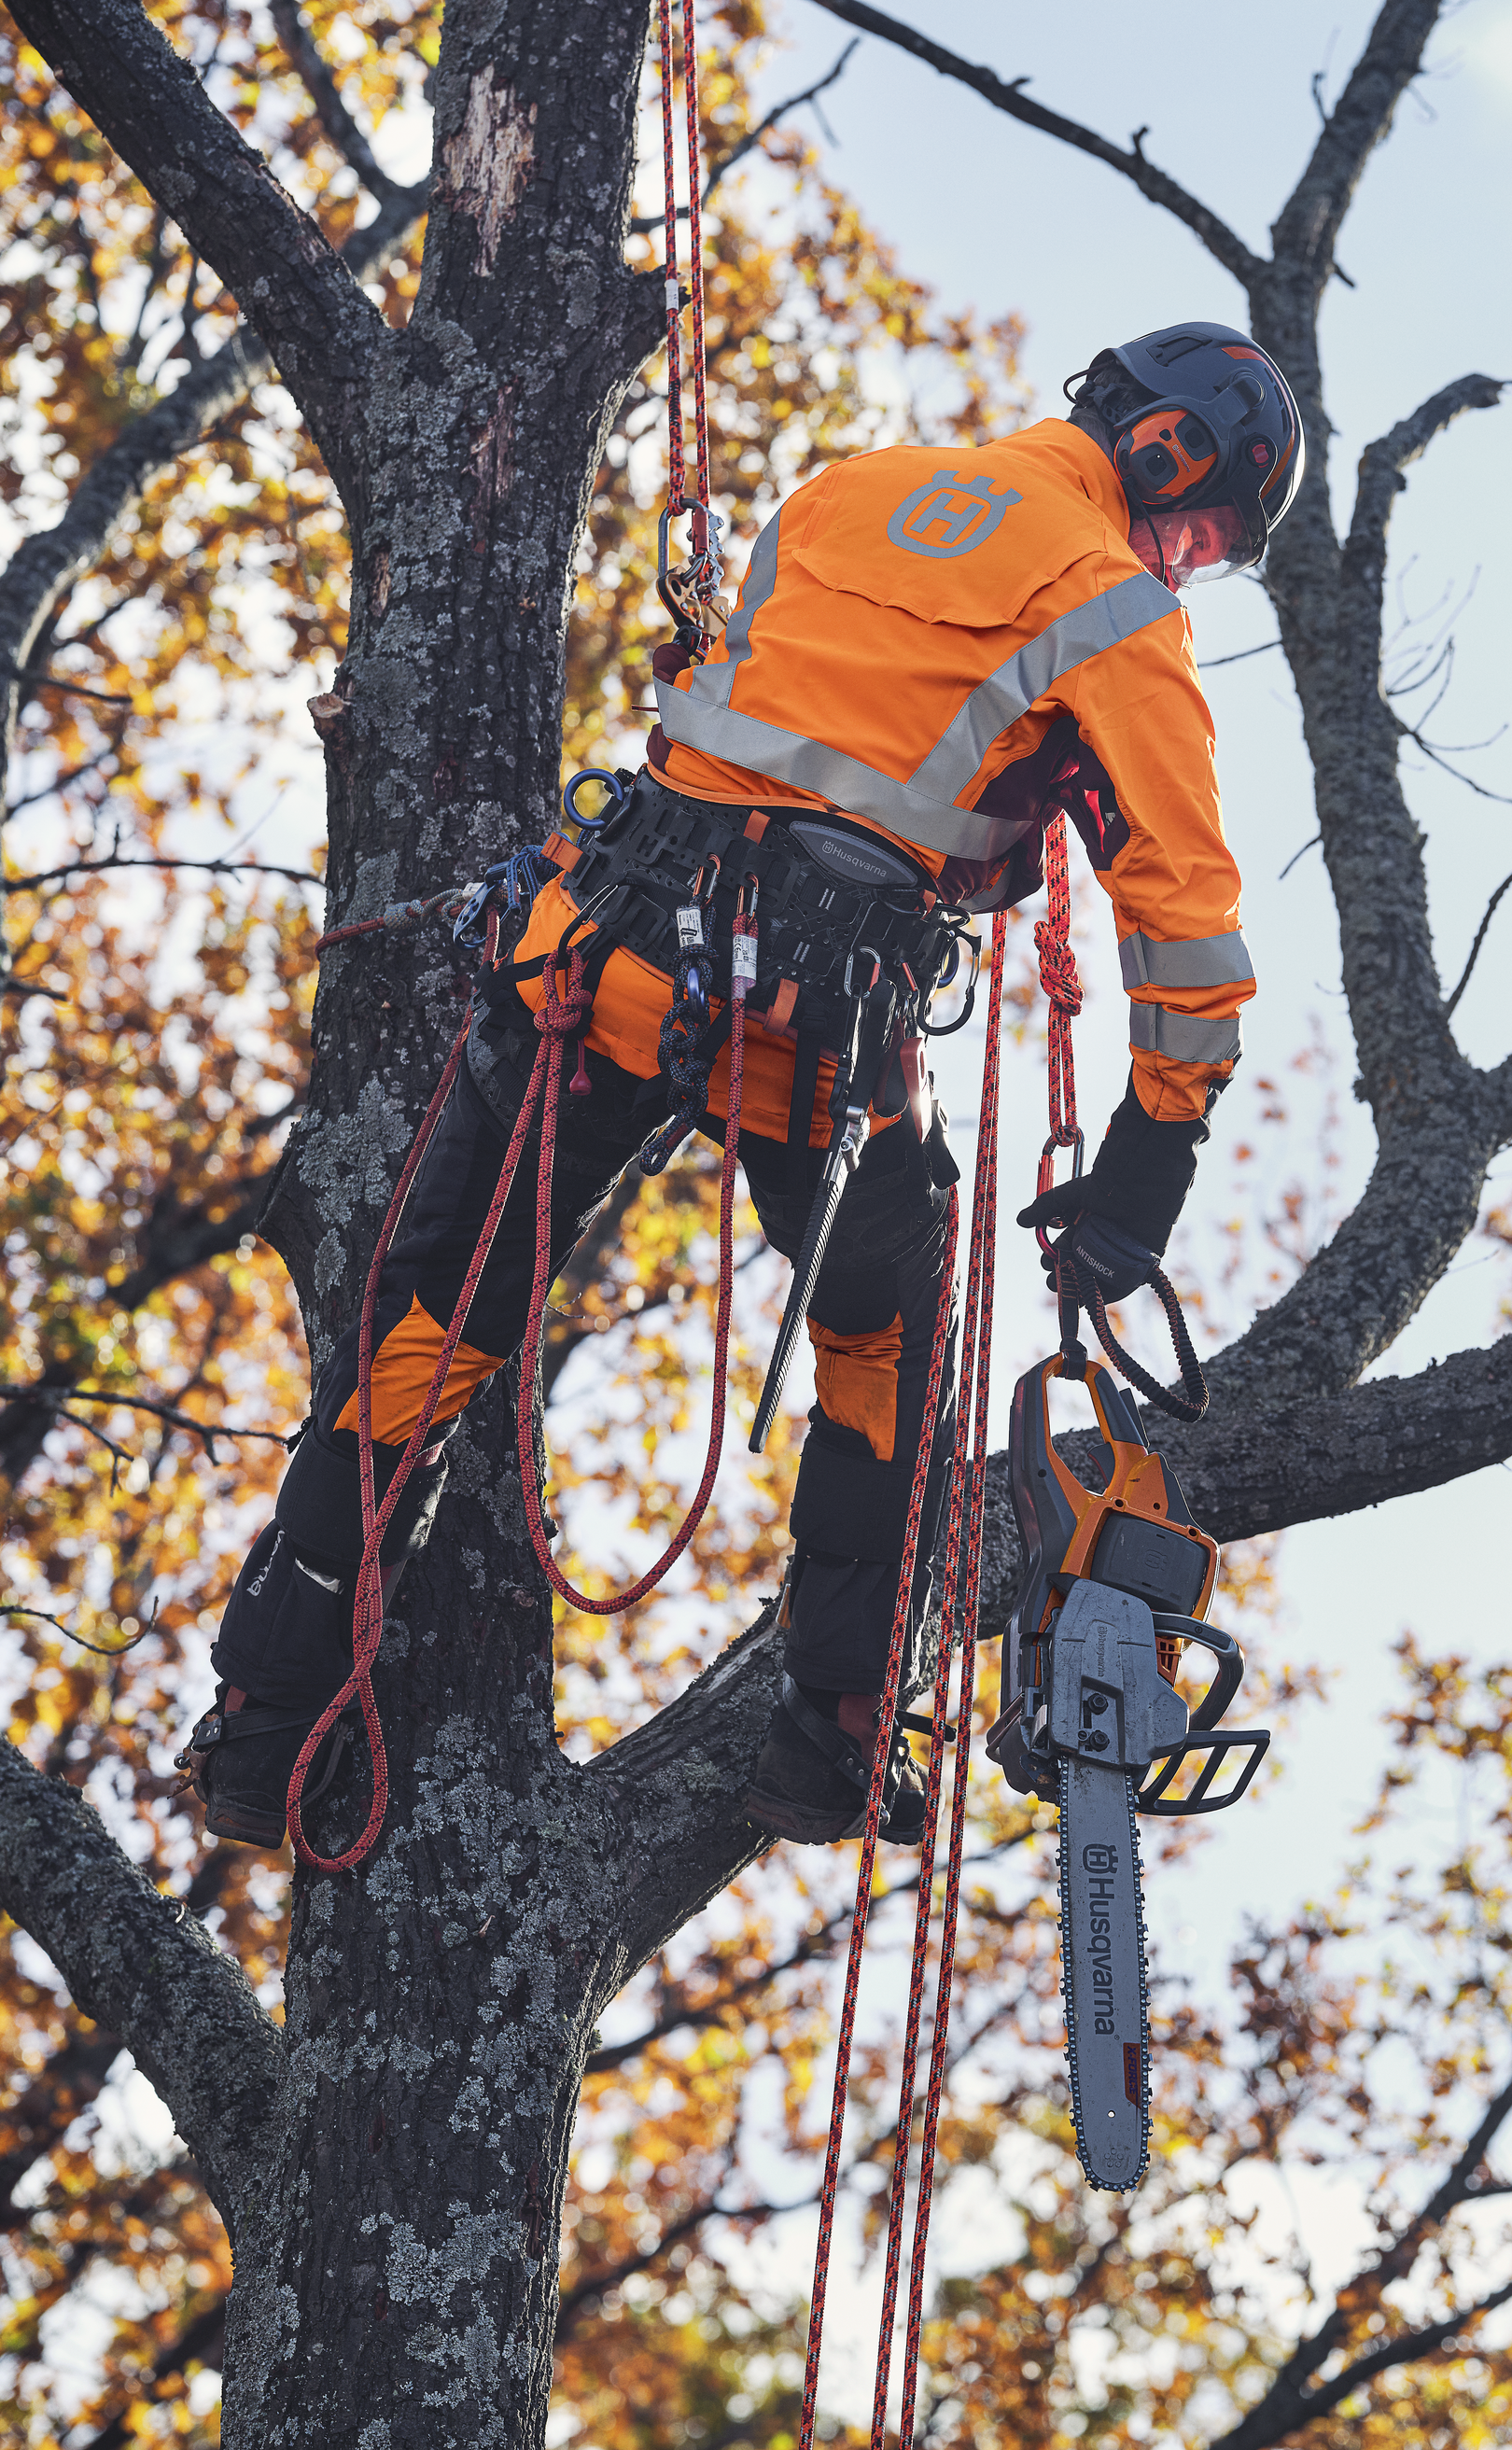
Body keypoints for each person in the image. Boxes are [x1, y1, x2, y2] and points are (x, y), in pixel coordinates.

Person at [179, 321, 1297, 1852]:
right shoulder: (1113, 608)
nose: (1185, 563)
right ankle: (838, 1731)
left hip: (603, 951)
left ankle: (264, 1722)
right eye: (1200, 532)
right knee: (887, 1349)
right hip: (813, 1033)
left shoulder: (852, 487)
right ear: (1168, 453)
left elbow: (802, 720)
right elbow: (1187, 924)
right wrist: (1149, 1165)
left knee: (430, 1323)